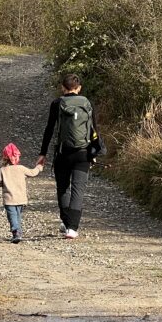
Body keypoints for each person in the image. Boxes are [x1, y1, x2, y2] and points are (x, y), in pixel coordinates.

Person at [36, 74, 99, 239]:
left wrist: (43, 153)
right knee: (78, 190)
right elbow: (94, 130)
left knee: (63, 188)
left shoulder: (57, 103)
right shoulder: (87, 103)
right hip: (83, 153)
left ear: (62, 88)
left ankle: (66, 222)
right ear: (79, 88)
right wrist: (94, 153)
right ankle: (73, 228)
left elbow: (49, 130)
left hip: (63, 153)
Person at [0, 143, 41, 243]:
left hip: (9, 199)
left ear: (4, 158)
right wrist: (39, 167)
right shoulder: (21, 168)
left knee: (12, 216)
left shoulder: (2, 170)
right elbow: (33, 173)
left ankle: (16, 232)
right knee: (18, 215)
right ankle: (18, 232)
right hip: (21, 198)